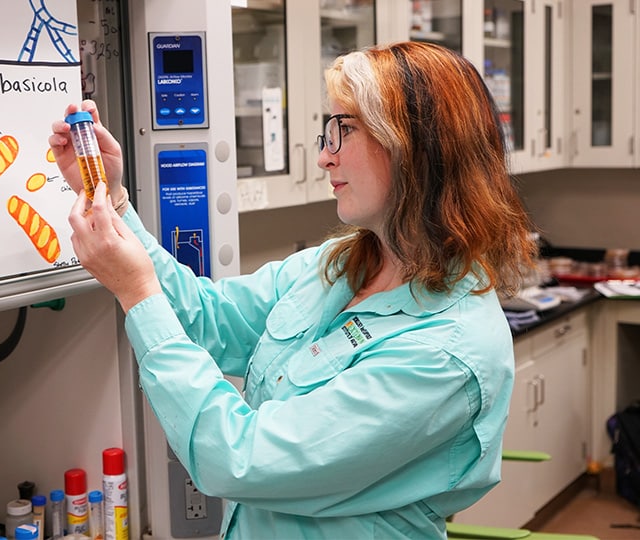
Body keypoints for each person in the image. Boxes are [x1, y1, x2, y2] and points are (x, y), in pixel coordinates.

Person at [50, 41, 537, 539]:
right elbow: (206, 319)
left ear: (414, 146)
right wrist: (109, 196)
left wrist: (136, 293)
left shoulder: (446, 352)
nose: (325, 156)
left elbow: (240, 459)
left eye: (343, 130)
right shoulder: (340, 265)